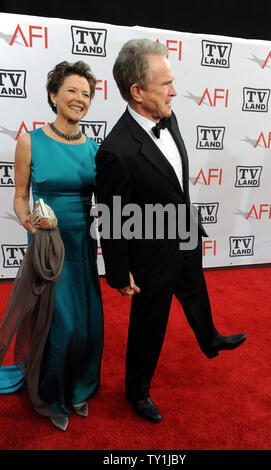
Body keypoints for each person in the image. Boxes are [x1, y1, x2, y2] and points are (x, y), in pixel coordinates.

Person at [95, 39, 247, 423]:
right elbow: (112, 213)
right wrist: (118, 270)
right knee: (150, 322)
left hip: (184, 233)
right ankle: (137, 391)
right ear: (137, 91)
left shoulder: (170, 116)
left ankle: (209, 337)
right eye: (165, 84)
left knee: (195, 286)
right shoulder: (116, 149)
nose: (175, 91)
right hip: (149, 252)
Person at [0, 61, 104, 431]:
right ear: (53, 95)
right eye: (73, 91)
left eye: (87, 94)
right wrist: (29, 221)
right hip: (48, 249)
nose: (80, 99)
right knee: (59, 325)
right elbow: (19, 198)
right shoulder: (30, 141)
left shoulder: (94, 148)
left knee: (87, 325)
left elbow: (104, 200)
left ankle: (80, 387)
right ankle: (51, 393)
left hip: (83, 247)